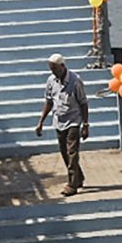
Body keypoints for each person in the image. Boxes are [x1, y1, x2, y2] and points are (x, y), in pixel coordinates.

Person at [32, 54, 89, 196]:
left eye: (55, 68)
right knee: (64, 152)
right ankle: (78, 178)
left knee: (72, 152)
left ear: (63, 66)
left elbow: (83, 103)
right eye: (51, 69)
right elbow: (49, 102)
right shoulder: (51, 81)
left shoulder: (75, 81)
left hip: (73, 120)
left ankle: (71, 184)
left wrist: (86, 124)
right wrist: (41, 122)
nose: (53, 71)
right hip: (59, 121)